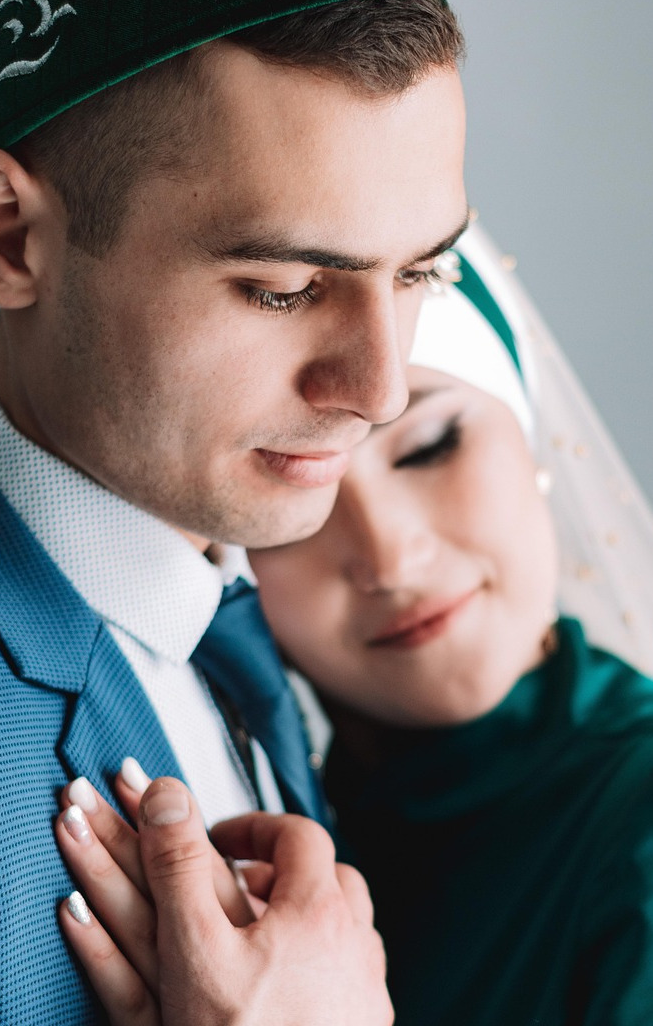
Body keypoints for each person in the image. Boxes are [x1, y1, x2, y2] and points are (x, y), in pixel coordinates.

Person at [0, 0, 468, 1023]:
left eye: (421, 272)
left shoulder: (255, 607)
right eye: (281, 289)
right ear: (7, 236)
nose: (375, 392)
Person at [56, 220, 653, 1025]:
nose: (389, 559)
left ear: (533, 439)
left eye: (430, 447)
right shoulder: (270, 792)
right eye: (306, 498)